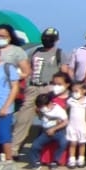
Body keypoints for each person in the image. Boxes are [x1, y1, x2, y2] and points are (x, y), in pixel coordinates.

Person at [14, 27, 64, 155]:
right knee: (23, 118)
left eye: (50, 38)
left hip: (48, 88)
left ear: (56, 40)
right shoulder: (35, 52)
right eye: (45, 38)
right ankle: (14, 149)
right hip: (32, 87)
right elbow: (27, 68)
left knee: (49, 118)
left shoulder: (59, 53)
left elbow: (64, 71)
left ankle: (47, 153)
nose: (47, 40)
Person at [32, 80, 70, 169]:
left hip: (57, 131)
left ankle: (55, 161)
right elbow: (41, 116)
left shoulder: (59, 110)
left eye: (42, 106)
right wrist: (38, 113)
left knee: (63, 143)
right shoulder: (41, 109)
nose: (42, 108)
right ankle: (36, 162)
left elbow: (65, 121)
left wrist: (54, 129)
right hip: (45, 131)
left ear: (49, 103)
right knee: (35, 145)